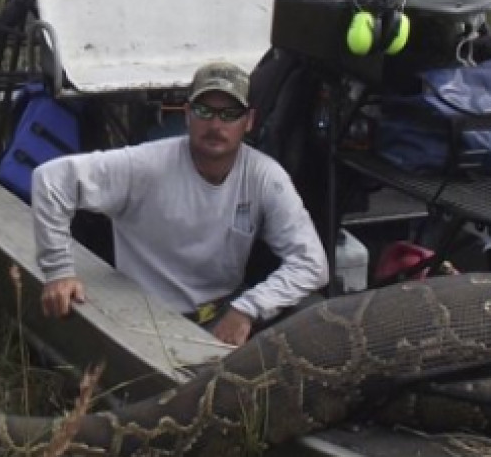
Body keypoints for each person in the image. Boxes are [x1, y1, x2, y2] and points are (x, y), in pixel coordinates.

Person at [31, 61, 329, 347]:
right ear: (187, 114)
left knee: (317, 313)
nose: (215, 124)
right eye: (204, 111)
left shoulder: (265, 176)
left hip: (224, 315)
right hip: (147, 321)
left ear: (249, 121)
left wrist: (248, 309)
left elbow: (312, 264)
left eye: (229, 114)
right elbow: (50, 179)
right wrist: (59, 271)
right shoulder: (146, 164)